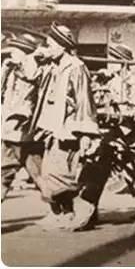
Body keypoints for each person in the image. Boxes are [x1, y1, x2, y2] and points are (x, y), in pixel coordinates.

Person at [71, 43, 135, 231]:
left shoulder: (133, 82)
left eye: (114, 60)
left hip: (124, 133)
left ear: (122, 62)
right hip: (109, 131)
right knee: (101, 168)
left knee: (126, 169)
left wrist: (124, 113)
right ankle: (92, 208)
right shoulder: (108, 79)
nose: (110, 64)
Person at [29, 23, 99, 230]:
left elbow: (84, 101)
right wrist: (34, 57)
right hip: (51, 128)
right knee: (50, 173)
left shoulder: (76, 67)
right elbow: (30, 76)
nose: (47, 49)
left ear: (61, 46)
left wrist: (86, 134)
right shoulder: (52, 66)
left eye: (50, 45)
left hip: (69, 129)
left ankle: (81, 208)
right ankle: (64, 214)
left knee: (60, 176)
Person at [1, 34, 44, 201]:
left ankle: (66, 208)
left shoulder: (31, 66)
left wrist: (22, 64)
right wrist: (5, 69)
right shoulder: (13, 69)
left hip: (23, 129)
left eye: (15, 51)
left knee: (40, 176)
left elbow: (32, 79)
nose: (11, 54)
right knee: (5, 172)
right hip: (10, 130)